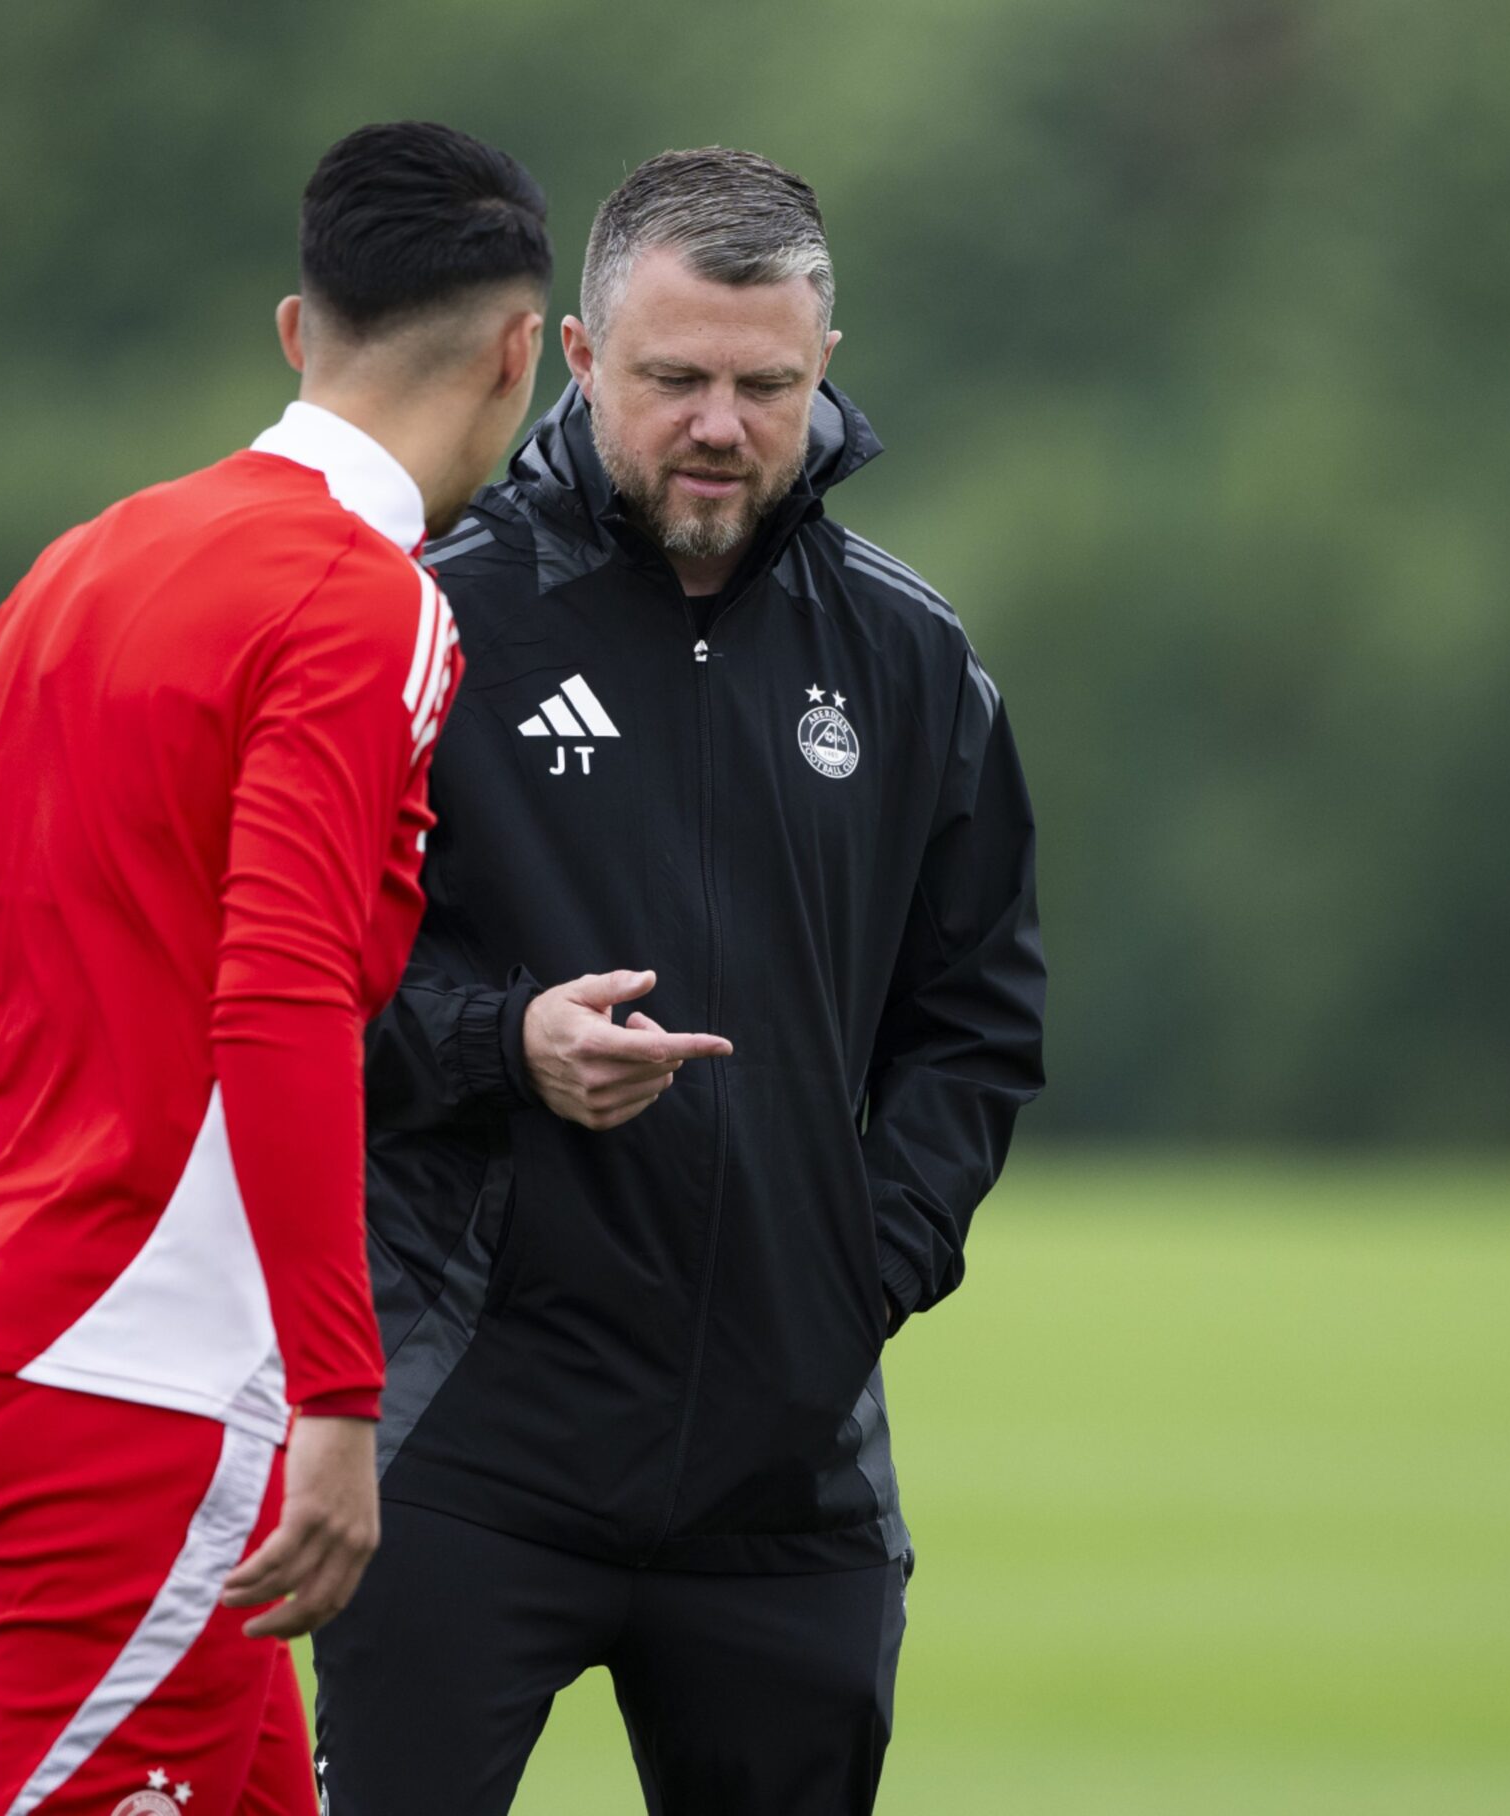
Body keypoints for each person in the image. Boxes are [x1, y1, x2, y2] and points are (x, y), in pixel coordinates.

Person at [0, 122, 549, 1816]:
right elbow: (283, 996)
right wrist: (340, 1401)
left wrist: (9, 1244)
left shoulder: (88, 558)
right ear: (524, 354)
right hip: (134, 1418)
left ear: (296, 334)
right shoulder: (375, 603)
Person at [312, 148, 1045, 1814]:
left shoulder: (912, 657)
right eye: (675, 379)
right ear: (576, 359)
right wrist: (507, 1045)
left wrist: (861, 1265)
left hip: (787, 1480)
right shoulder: (421, 626)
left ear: (822, 370)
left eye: (765, 384)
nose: (720, 422)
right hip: (470, 1445)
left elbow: (979, 1019)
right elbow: (296, 991)